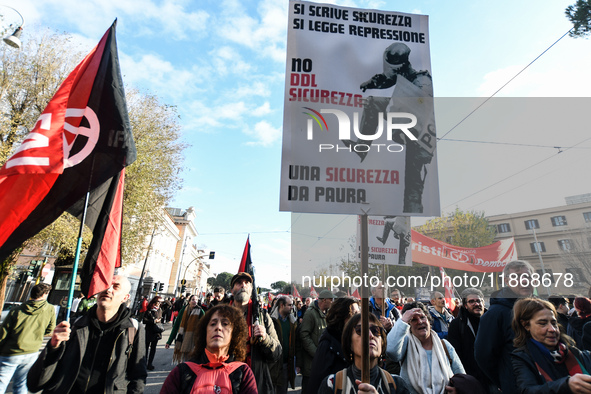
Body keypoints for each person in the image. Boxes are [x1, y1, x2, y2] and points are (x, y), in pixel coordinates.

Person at [344, 42, 434, 213]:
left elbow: (425, 108)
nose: (392, 73)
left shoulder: (422, 80)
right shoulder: (401, 75)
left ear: (403, 66)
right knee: (372, 104)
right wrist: (368, 83)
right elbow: (385, 80)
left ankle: (413, 211)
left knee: (413, 190)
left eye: (395, 70)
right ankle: (361, 147)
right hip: (404, 122)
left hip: (421, 137)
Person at [27, 275, 147, 393]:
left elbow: (138, 377)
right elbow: (35, 384)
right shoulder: (74, 326)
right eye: (105, 285)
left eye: (115, 287)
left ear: (125, 297)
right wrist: (53, 348)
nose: (108, 289)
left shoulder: (133, 329)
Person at [160, 304, 257, 393]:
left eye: (225, 324)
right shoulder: (181, 371)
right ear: (205, 332)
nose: (218, 327)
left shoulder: (243, 372)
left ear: (234, 333)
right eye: (213, 324)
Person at [474, 259, 534, 394]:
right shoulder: (495, 314)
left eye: (528, 276)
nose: (524, 281)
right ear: (507, 281)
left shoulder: (539, 309)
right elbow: (483, 357)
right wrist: (506, 380)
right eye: (517, 277)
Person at [511, 298, 591, 393]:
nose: (552, 329)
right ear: (526, 325)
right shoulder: (522, 358)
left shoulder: (573, 352)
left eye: (554, 323)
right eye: (542, 323)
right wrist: (566, 385)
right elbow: (527, 390)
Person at [319, 313, 410, 394]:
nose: (370, 335)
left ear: (382, 342)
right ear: (349, 343)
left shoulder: (396, 384)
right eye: (361, 330)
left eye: (375, 331)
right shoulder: (332, 384)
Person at [387, 302, 465, 394]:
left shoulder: (445, 345)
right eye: (414, 320)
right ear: (408, 326)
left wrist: (457, 389)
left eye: (422, 317)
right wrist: (403, 320)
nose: (420, 322)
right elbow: (391, 351)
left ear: (429, 320)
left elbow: (461, 376)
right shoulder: (405, 345)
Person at [230, 272, 281, 393]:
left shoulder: (262, 316)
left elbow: (277, 353)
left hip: (256, 381)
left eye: (247, 283)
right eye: (239, 283)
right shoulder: (220, 315)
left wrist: (265, 338)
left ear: (251, 289)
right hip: (226, 380)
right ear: (232, 290)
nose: (243, 285)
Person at [0, 283, 56, 394]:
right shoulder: (49, 309)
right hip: (32, 351)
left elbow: (3, 333)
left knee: (2, 382)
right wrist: (37, 334)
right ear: (45, 294)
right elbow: (50, 329)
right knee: (21, 385)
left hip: (10, 352)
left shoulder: (17, 310)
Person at [309, 296, 360, 390]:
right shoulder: (327, 345)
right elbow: (317, 383)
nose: (359, 318)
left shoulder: (352, 339)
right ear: (342, 317)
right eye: (354, 314)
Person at [447, 288, 491, 390]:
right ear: (465, 305)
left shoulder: (492, 321)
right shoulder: (457, 325)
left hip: (493, 377)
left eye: (478, 301)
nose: (476, 304)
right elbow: (455, 355)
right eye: (471, 301)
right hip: (471, 379)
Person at [299, 289, 334, 393]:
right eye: (330, 300)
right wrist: (316, 353)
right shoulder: (310, 314)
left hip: (322, 362)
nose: (332, 302)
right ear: (323, 300)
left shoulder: (327, 314)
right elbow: (304, 335)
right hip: (311, 363)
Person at [270, 295, 297, 394]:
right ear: (282, 305)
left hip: (286, 364)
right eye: (289, 305)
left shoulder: (293, 322)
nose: (292, 307)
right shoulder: (271, 320)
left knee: (282, 390)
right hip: (273, 363)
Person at [165, 294, 204, 363]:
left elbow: (203, 327)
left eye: (196, 300)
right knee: (182, 362)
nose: (194, 301)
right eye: (193, 300)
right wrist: (169, 341)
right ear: (189, 301)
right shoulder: (183, 311)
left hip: (193, 341)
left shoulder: (201, 312)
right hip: (182, 339)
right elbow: (176, 326)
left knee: (191, 361)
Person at [143, 296, 164, 370]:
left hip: (156, 332)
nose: (159, 304)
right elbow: (144, 320)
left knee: (153, 348)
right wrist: (153, 321)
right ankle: (144, 363)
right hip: (149, 331)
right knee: (146, 348)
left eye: (160, 303)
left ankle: (150, 363)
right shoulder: (149, 310)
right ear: (154, 302)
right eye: (158, 302)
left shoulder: (160, 310)